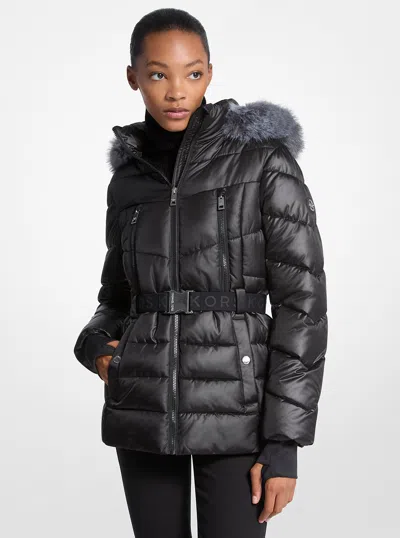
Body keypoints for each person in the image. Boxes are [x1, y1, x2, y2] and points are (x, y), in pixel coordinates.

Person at [73, 8, 328, 538]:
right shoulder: (128, 180)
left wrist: (284, 442)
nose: (176, 91)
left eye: (192, 73)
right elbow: (116, 297)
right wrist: (96, 345)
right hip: (143, 404)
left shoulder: (262, 162)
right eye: (158, 74)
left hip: (239, 408)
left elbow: (302, 306)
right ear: (133, 77)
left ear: (210, 73)